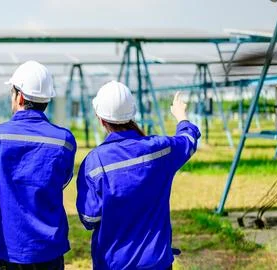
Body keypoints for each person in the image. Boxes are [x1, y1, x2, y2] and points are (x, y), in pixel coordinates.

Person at [0, 61, 77, 270]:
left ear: (19, 96)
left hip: (5, 252)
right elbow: (62, 180)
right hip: (48, 252)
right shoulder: (64, 141)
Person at [76, 81, 200, 270]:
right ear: (132, 113)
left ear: (100, 119)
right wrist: (181, 117)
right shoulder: (160, 150)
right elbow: (189, 141)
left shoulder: (95, 162)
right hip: (157, 263)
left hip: (113, 264)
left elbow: (89, 219)